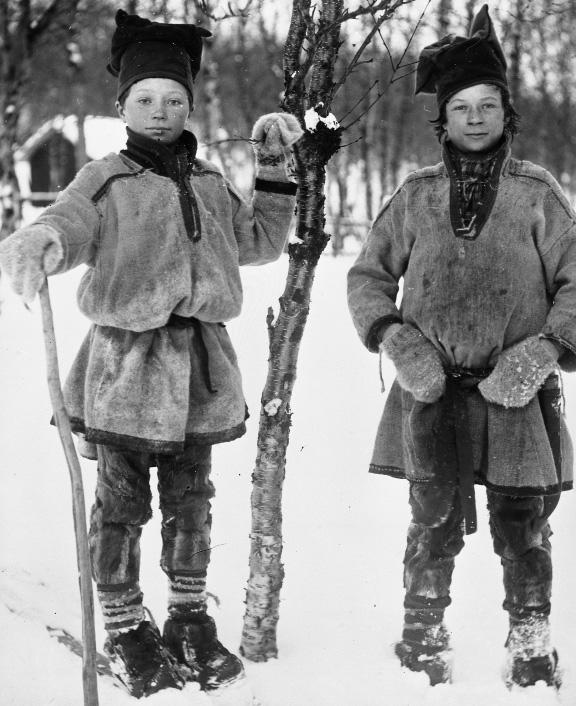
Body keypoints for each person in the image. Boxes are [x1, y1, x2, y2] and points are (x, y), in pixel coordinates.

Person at [0, 9, 302, 699]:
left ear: (190, 105)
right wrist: (43, 242)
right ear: (123, 105)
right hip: (126, 369)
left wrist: (275, 167)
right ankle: (126, 623)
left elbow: (257, 241)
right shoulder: (103, 178)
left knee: (192, 500)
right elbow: (68, 224)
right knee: (122, 501)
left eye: (173, 99)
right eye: (146, 100)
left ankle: (188, 618)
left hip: (199, 366)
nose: (161, 111)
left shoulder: (210, 182)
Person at [347, 4, 575, 690]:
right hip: (434, 390)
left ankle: (531, 640)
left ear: (508, 113)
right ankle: (422, 634)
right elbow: (367, 278)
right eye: (461, 108)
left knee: (521, 522)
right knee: (434, 518)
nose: (474, 119)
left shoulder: (539, 193)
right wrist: (397, 340)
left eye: (488, 106)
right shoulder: (415, 195)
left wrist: (544, 352)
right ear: (441, 120)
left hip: (516, 393)